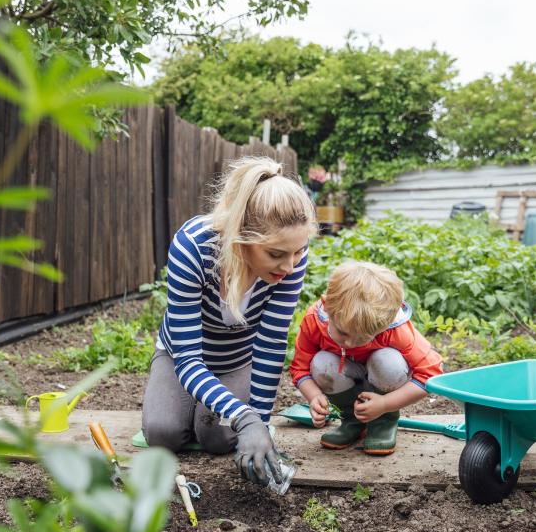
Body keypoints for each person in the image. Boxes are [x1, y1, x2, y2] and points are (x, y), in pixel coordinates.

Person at [142, 156, 317, 485]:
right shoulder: (192, 247)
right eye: (276, 254)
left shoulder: (290, 255)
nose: (290, 266)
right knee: (162, 434)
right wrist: (243, 417)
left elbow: (269, 346)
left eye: (298, 252)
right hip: (183, 356)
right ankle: (182, 400)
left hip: (237, 359)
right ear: (241, 237)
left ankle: (208, 409)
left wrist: (260, 425)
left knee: (218, 437)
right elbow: (189, 360)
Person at [289, 262, 443, 455]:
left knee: (388, 361)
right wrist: (314, 396)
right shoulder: (314, 321)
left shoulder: (395, 328)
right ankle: (352, 421)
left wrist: (385, 405)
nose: (351, 343)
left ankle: (383, 422)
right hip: (347, 374)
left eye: (363, 338)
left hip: (381, 379)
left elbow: (431, 374)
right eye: (343, 333)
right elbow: (300, 368)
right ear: (327, 306)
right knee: (321, 363)